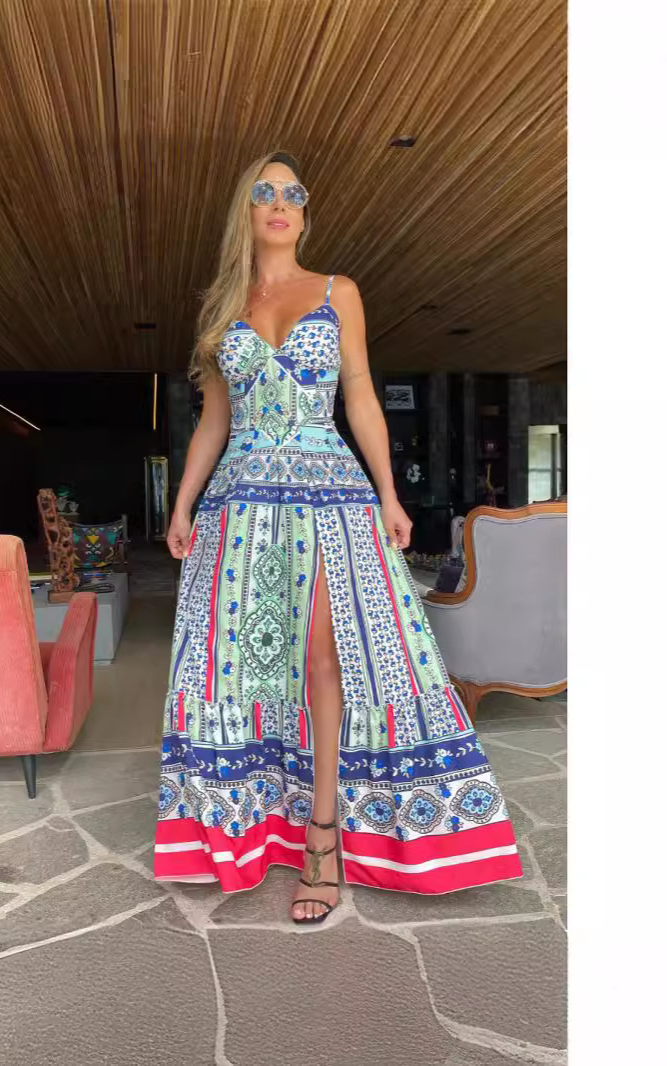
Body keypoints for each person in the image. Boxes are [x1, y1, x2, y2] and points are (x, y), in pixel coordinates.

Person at [153, 151, 522, 924]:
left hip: (330, 496)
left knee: (326, 659)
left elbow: (358, 394)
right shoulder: (222, 310)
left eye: (293, 194)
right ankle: (253, 824)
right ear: (245, 211)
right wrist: (182, 504)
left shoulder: (336, 291)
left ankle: (322, 839)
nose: (280, 203)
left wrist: (388, 492)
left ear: (304, 213)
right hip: (239, 505)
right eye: (264, 192)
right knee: (246, 671)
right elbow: (213, 420)